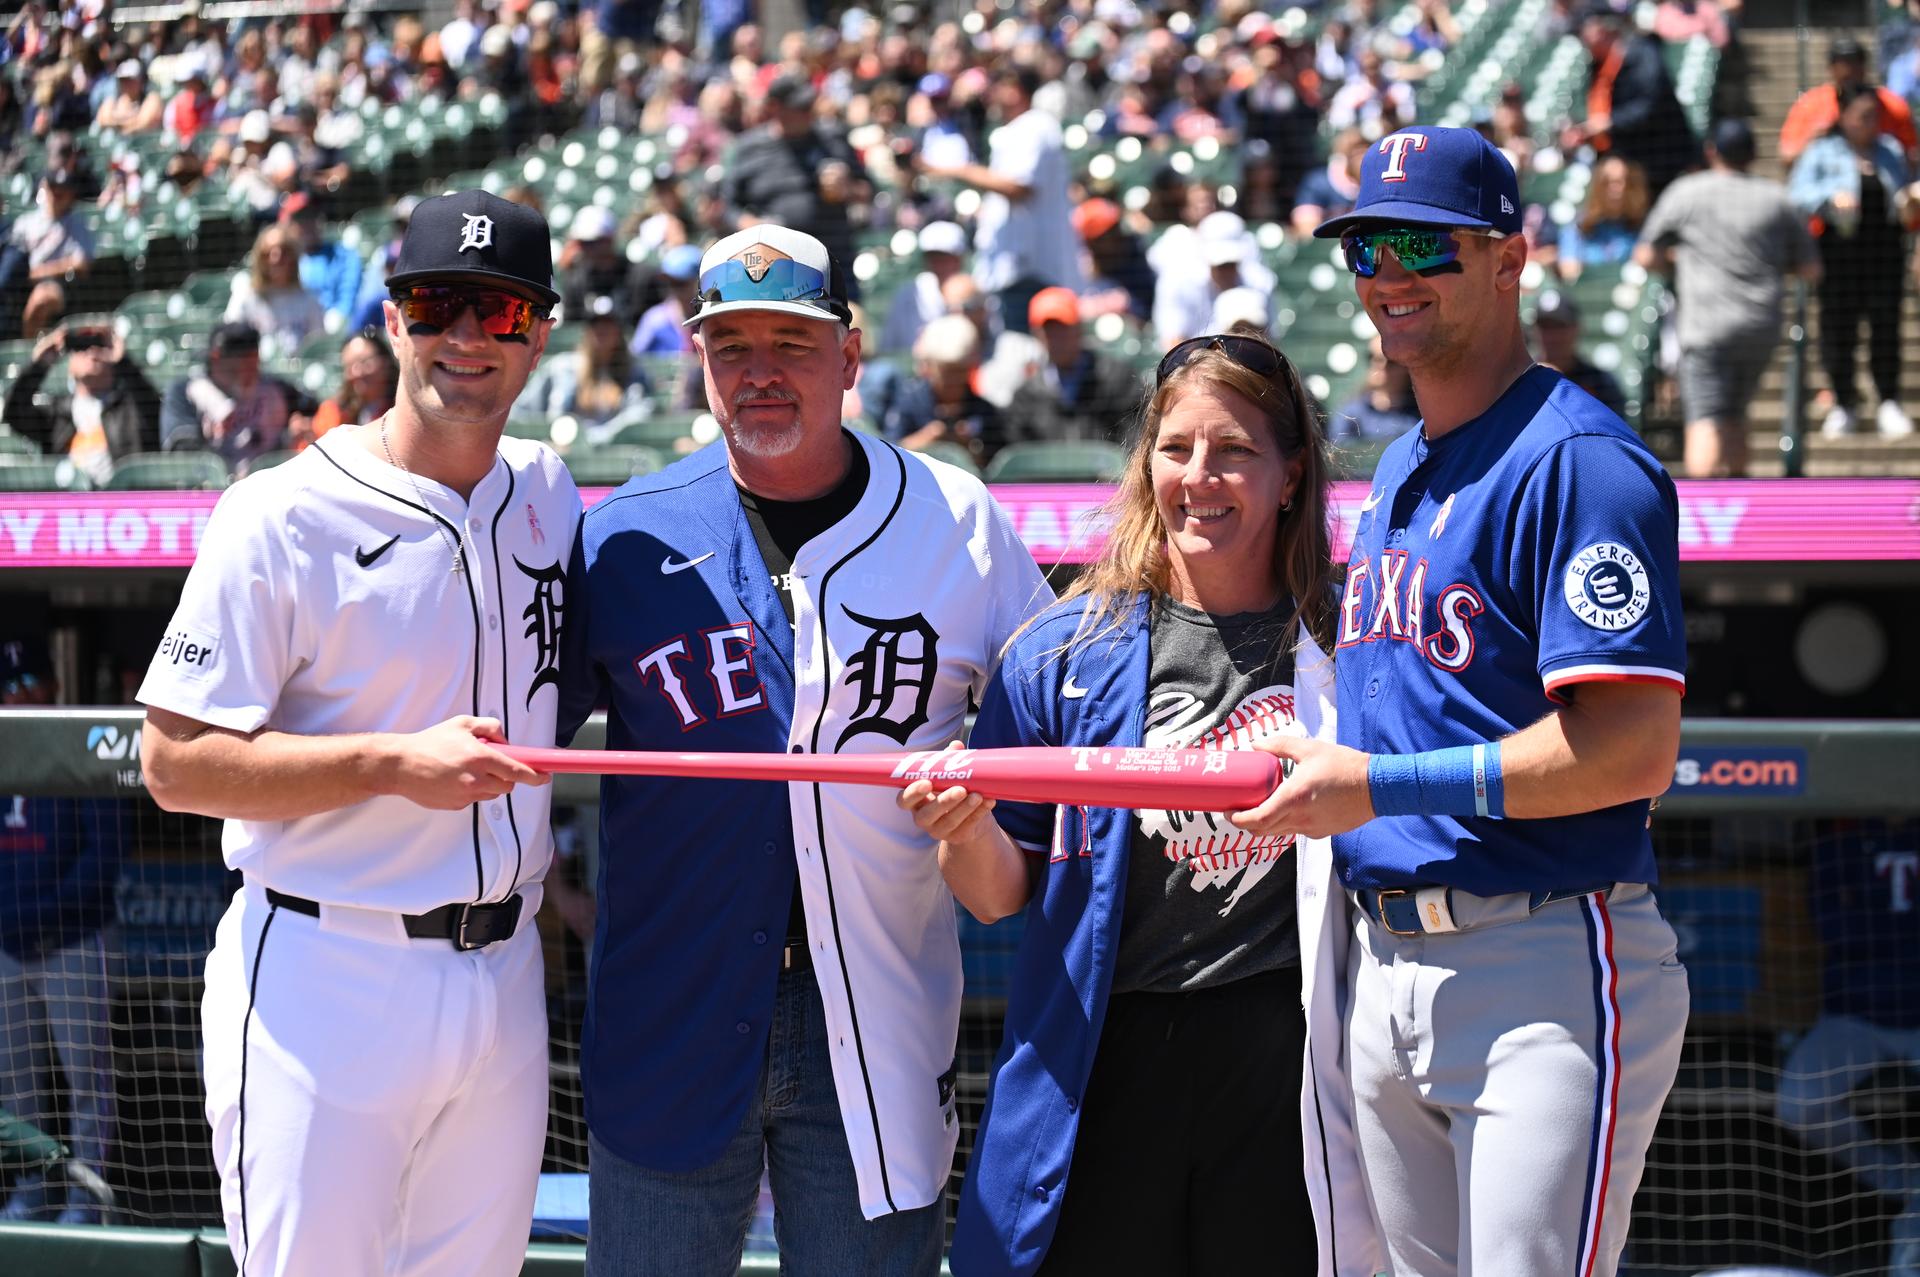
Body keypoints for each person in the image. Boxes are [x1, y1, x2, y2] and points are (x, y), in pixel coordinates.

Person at [556, 223, 1051, 1276]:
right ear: (698, 360)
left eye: (792, 342)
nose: (761, 372)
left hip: (873, 1007)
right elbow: (513, 732)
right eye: (732, 345)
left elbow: (1058, 713)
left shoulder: (957, 521)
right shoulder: (625, 534)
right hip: (672, 1005)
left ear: (851, 356)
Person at [1251, 125, 1692, 1277]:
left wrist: (1375, 784)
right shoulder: (1403, 462)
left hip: (1542, 951)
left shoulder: (1579, 460)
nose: (1389, 274)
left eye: (1426, 245)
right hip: (1385, 962)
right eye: (1367, 248)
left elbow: (1632, 749)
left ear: (1510, 258)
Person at [136, 190, 579, 1277]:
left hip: (505, 971)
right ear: (392, 319)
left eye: (500, 311)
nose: (466, 336)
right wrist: (389, 763)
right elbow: (173, 763)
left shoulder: (548, 490)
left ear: (539, 334)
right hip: (326, 968)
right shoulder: (279, 511)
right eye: (436, 304)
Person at [926, 332, 1383, 1276]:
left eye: (1235, 450)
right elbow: (995, 895)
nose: (1199, 475)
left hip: (1289, 1059)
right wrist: (960, 829)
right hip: (1103, 1058)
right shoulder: (1059, 648)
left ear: (1292, 475)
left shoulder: (1355, 641)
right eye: (1176, 448)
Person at [0, 636, 122, 1226]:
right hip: (7, 949)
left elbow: (105, 860)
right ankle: (33, 1193)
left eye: (29, 684)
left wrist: (37, 916)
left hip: (72, 942)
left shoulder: (81, 741)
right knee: (16, 1085)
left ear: (52, 685)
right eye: (9, 687)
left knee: (87, 1081)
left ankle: (87, 1202)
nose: (19, 696)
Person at [1775, 819, 1920, 1277]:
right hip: (1854, 1013)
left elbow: (1860, 928)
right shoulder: (1839, 837)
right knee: (1800, 1104)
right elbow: (1835, 928)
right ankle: (1900, 1179)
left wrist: (1882, 929)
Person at [1637, 117, 1821, 476]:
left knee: (1706, 418)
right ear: (1752, 154)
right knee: (1735, 416)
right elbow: (1811, 268)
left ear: (1711, 151)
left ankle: (1702, 510)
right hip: (1759, 327)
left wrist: (1678, 260)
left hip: (1706, 327)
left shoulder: (1687, 191)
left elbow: (1645, 255)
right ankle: (1738, 501)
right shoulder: (1776, 198)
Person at [1789, 82, 1920, 440]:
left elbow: (1905, 189)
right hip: (1839, 255)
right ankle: (1844, 402)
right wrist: (1831, 197)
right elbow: (1797, 195)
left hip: (1885, 253)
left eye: (1874, 116)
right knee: (1838, 329)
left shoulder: (1890, 149)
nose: (1870, 123)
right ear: (1844, 116)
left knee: (1886, 328)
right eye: (1862, 116)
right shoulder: (1822, 151)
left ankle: (1888, 400)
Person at [917, 63, 1084, 333]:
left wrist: (958, 169)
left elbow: (1019, 187)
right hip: (1012, 271)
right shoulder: (1014, 129)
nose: (992, 93)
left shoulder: (1035, 125)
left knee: (1025, 347)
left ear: (1015, 90)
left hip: (1032, 271)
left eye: (999, 85)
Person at [720, 74, 872, 295]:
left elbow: (869, 190)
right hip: (774, 268)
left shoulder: (832, 139)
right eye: (800, 107)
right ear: (774, 107)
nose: (808, 112)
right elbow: (728, 206)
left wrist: (848, 188)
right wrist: (752, 225)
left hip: (832, 262)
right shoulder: (749, 148)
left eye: (810, 105)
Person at [1559, 4, 1699, 198]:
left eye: (1585, 30)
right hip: (1622, 162)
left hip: (1659, 163)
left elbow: (1651, 105)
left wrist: (1611, 123)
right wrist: (1582, 128)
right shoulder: (1596, 65)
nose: (1582, 38)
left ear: (1602, 28)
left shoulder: (1641, 53)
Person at [3, 318, 161, 485]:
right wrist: (39, 365)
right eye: (81, 346)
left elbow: (154, 411)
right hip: (67, 499)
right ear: (69, 364)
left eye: (99, 344)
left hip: (121, 498)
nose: (91, 351)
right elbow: (14, 413)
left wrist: (123, 361)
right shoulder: (58, 412)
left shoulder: (130, 407)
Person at [160, 321, 313, 468]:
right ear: (216, 358)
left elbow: (313, 410)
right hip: (214, 484)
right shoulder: (186, 392)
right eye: (243, 361)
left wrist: (295, 428)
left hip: (266, 480)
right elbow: (183, 453)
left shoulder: (275, 389)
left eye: (254, 361)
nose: (251, 370)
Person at [1004, 287, 1143, 445]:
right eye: (1049, 331)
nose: (1057, 338)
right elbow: (1020, 448)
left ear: (1079, 328)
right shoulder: (1026, 397)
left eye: (1062, 328)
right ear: (1037, 335)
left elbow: (1135, 437)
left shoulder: (1117, 378)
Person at [882, 312, 1007, 464]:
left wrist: (968, 446)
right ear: (929, 367)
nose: (953, 380)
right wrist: (926, 438)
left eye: (960, 371)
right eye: (946, 372)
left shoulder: (985, 411)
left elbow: (996, 466)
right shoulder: (909, 402)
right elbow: (887, 454)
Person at [1779, 35, 1917, 167]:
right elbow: (1787, 157)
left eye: (1855, 63)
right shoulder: (1810, 104)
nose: (1849, 69)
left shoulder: (1892, 105)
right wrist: (1817, 139)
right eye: (1843, 65)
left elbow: (1913, 156)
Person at [224, 221, 327, 352]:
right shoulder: (245, 298)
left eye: (284, 252)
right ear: (260, 259)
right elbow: (229, 342)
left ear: (293, 258)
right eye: (268, 253)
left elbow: (319, 348)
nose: (276, 259)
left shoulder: (309, 300)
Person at [1530, 292, 1627, 420]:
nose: (1552, 336)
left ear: (1576, 328)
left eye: (1559, 326)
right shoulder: (1522, 380)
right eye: (1545, 327)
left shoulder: (1599, 382)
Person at [1552, 154, 1651, 281]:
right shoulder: (1578, 227)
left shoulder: (1641, 226)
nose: (1614, 189)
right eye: (1606, 182)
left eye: (1620, 181)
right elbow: (1568, 269)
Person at [877, 220, 969, 356]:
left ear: (959, 259)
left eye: (945, 258)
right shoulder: (908, 294)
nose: (939, 264)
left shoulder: (974, 292)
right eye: (933, 257)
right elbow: (888, 345)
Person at [306, 329, 399, 443]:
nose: (357, 372)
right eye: (350, 366)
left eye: (365, 362)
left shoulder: (401, 409)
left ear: (385, 363)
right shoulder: (334, 412)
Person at [1332, 336, 1422, 444]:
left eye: (1390, 360)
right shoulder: (1351, 413)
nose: (1379, 365)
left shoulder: (1422, 413)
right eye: (1371, 357)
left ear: (1406, 365)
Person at [630, 243, 704, 356]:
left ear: (699, 282)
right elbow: (635, 357)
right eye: (670, 282)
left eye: (681, 283)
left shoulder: (710, 319)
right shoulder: (655, 320)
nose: (674, 289)